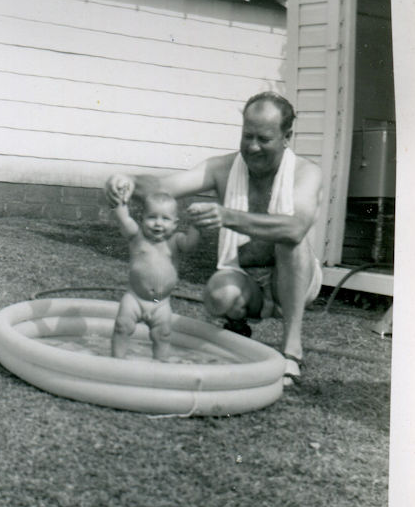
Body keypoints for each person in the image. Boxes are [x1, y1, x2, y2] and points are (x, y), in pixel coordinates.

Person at [105, 92, 323, 387]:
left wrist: (228, 216)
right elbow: (163, 187)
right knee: (218, 296)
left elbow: (295, 228)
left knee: (290, 242)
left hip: (295, 277)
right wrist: (127, 181)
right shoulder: (222, 168)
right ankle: (239, 324)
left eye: (264, 139)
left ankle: (291, 350)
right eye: (247, 136)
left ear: (287, 137)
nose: (253, 146)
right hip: (246, 275)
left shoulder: (306, 172)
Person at [110, 188, 201, 361]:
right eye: (152, 217)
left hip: (161, 303)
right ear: (142, 219)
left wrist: (196, 224)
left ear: (175, 223)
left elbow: (190, 245)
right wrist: (119, 199)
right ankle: (116, 362)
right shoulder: (137, 237)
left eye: (165, 219)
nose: (158, 223)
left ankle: (160, 367)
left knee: (163, 335)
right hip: (135, 298)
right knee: (122, 326)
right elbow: (124, 219)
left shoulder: (175, 241)